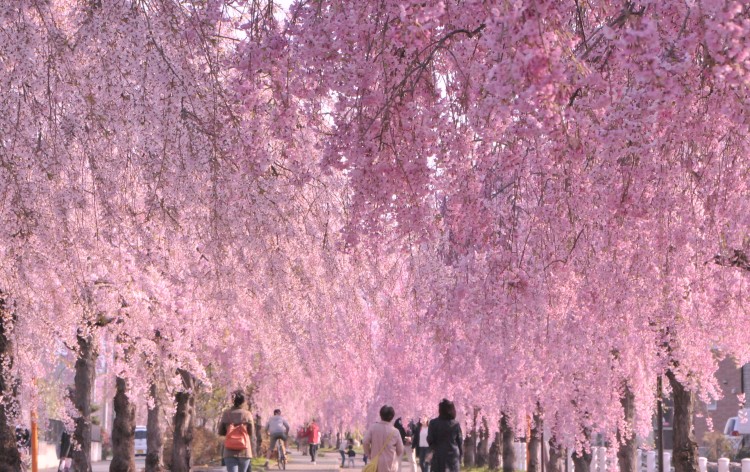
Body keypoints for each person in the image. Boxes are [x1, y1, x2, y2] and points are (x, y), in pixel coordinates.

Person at [218, 390, 255, 472]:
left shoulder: (226, 414)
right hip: (244, 451)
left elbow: (220, 432)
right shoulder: (247, 414)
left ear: (232, 400)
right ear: (244, 401)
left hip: (229, 451)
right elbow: (251, 432)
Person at [363, 405, 404, 472]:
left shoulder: (373, 428)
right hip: (391, 465)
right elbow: (400, 449)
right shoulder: (395, 431)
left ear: (380, 415)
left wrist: (369, 454)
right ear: (392, 417)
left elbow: (365, 442)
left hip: (376, 463)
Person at [427, 399, 462, 472]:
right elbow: (460, 442)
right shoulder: (455, 424)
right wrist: (460, 456)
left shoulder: (433, 423)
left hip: (439, 456)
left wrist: (433, 448)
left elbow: (430, 439)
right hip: (453, 456)